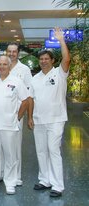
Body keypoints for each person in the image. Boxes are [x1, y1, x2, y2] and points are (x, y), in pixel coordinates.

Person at [0, 35, 33, 186]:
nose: (2, 66)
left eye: (5, 64)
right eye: (0, 64)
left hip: (11, 123)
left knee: (11, 154)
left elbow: (26, 99)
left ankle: (11, 181)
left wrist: (18, 117)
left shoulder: (19, 78)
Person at [29, 27, 70, 197]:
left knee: (53, 150)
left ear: (52, 61)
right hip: (39, 120)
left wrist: (61, 40)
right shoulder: (35, 78)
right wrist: (30, 117)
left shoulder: (59, 74)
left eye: (47, 59)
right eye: (41, 59)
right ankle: (44, 180)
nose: (44, 61)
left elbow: (67, 59)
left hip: (56, 119)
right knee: (41, 150)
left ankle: (57, 185)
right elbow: (31, 99)